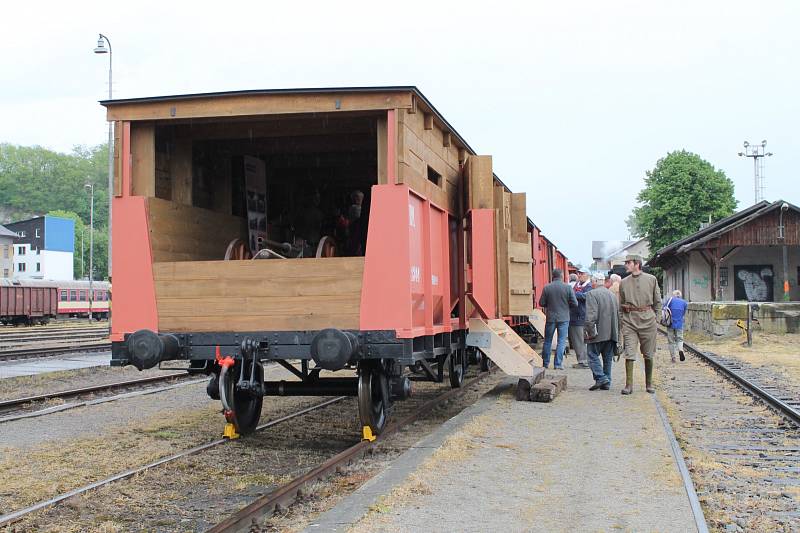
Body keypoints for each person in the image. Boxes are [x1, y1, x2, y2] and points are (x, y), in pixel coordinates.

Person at [619, 255, 661, 395]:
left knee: (648, 354)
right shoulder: (623, 282)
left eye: (628, 263)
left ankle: (648, 384)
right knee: (629, 352)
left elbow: (657, 301)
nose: (626, 265)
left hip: (648, 320)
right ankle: (629, 385)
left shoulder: (651, 279)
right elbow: (621, 304)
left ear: (637, 264)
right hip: (630, 320)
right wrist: (622, 321)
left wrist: (657, 319)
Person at [584, 272, 619, 390]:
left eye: (592, 282)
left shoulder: (591, 294)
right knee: (607, 358)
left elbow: (590, 316)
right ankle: (607, 382)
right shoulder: (612, 295)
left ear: (594, 282)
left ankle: (601, 377)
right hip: (611, 333)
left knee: (591, 355)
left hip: (597, 332)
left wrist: (590, 332)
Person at [538, 268, 578, 370]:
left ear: (553, 276)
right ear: (562, 276)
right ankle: (558, 364)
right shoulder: (568, 288)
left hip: (551, 318)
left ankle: (545, 364)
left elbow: (541, 303)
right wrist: (566, 306)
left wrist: (550, 304)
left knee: (547, 341)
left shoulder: (547, 287)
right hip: (564, 318)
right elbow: (575, 303)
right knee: (561, 341)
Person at [569, 269, 592, 369]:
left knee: (580, 340)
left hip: (582, 316)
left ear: (587, 275)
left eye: (582, 273)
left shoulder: (589, 286)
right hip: (574, 316)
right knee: (577, 340)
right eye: (579, 273)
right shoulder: (577, 285)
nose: (579, 275)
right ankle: (582, 360)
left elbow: (586, 296)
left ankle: (584, 361)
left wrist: (572, 294)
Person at [664, 289, 688, 362]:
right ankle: (680, 350)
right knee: (680, 338)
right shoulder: (684, 302)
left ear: (673, 295)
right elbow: (683, 313)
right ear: (680, 296)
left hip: (670, 323)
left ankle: (673, 357)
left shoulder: (670, 300)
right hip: (679, 323)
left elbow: (664, 309)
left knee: (671, 341)